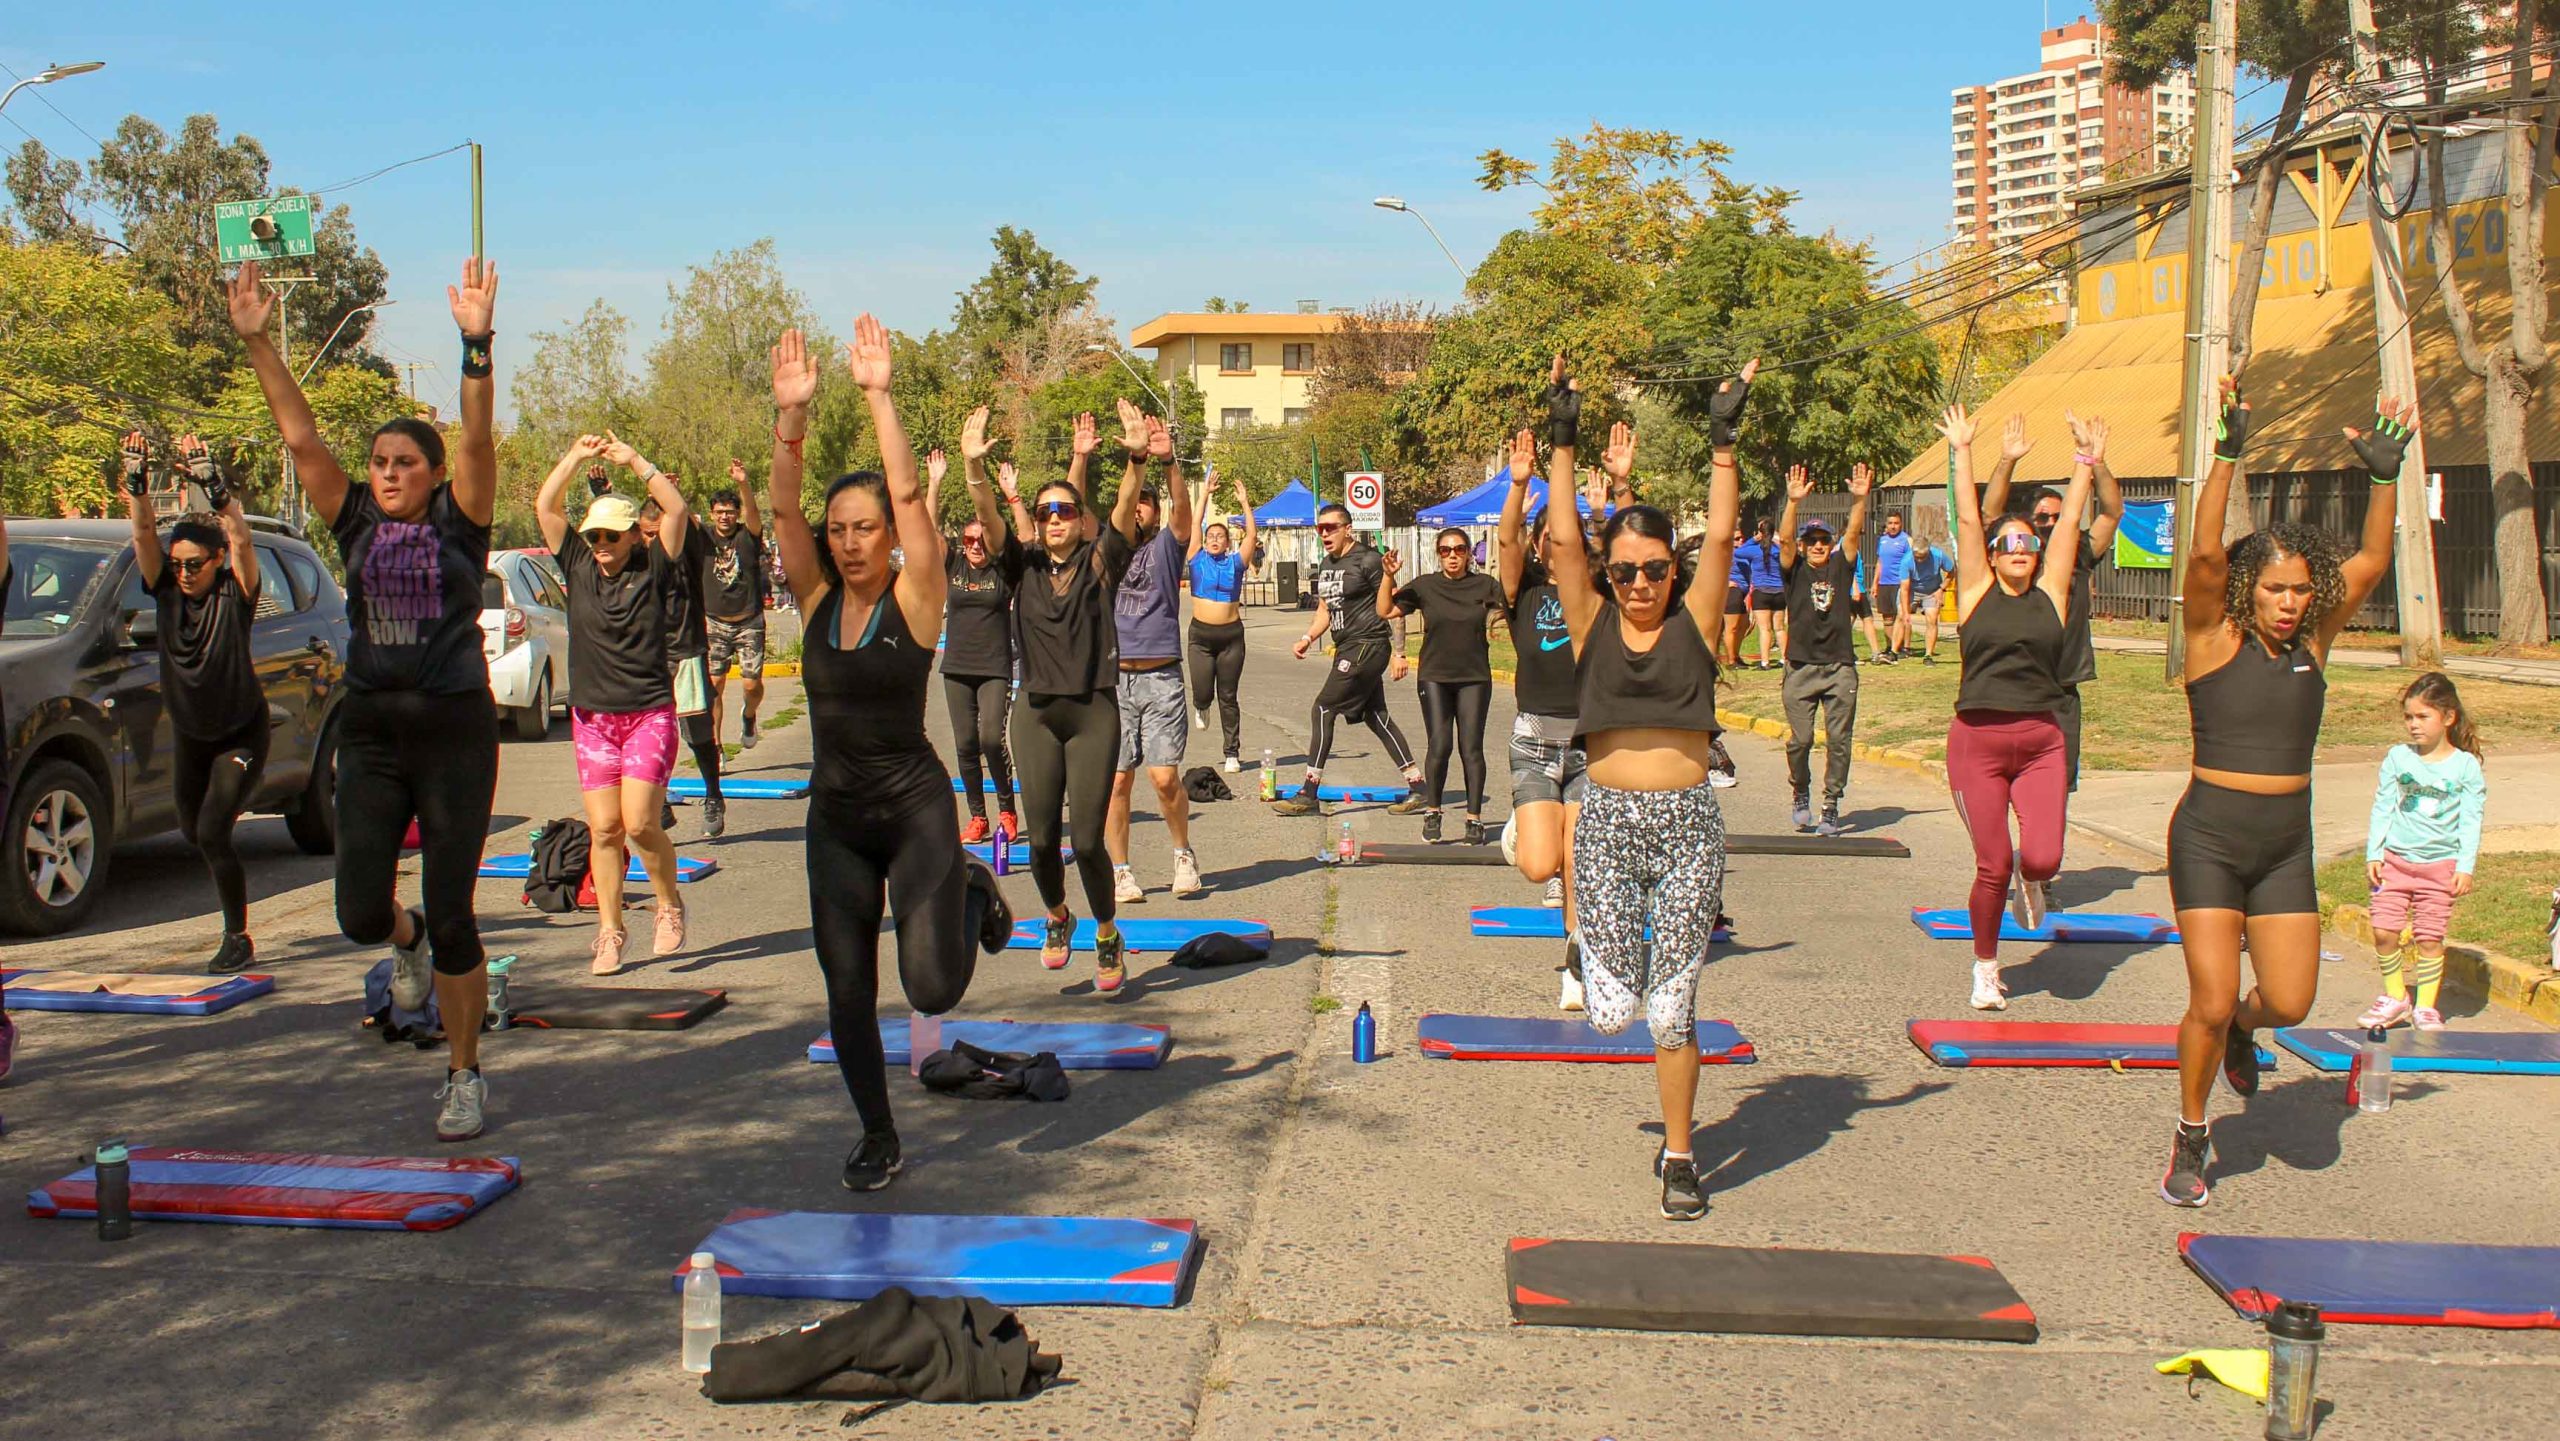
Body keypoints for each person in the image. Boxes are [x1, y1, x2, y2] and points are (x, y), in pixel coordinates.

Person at [230, 254, 502, 1142]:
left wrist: (475, 346)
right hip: (375, 733)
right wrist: (260, 343)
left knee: (457, 911)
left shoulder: (461, 520)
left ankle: (463, 1074)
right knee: (358, 914)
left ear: (431, 473)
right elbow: (301, 436)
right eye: (379, 460)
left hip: (454, 733)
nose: (387, 473)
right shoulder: (351, 519)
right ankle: (404, 939)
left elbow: (477, 440)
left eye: (403, 462)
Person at [2160, 378, 2411, 1208]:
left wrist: (2385, 479)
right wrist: (2225, 455)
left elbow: (2371, 562)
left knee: (2291, 1001)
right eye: (2276, 589)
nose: (2291, 602)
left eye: (2302, 589)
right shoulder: (2212, 634)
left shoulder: (2315, 640)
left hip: (2282, 847)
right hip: (2209, 838)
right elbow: (2203, 554)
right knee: (2207, 995)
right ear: (2248, 588)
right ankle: (2192, 1132)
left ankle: (2244, 1027)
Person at [768, 322, 1007, 1191]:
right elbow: (782, 510)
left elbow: (908, 492)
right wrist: (792, 419)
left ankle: (970, 886)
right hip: (837, 817)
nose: (849, 541)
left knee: (932, 990)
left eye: (865, 528)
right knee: (845, 989)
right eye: (839, 529)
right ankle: (878, 1132)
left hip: (913, 812)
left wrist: (879, 396)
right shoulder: (814, 597)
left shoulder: (919, 593)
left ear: (889, 536)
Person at [1544, 357, 1756, 1222]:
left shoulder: (1693, 621)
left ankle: (1679, 1155)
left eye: (1655, 569)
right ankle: (1587, 951)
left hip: (1687, 826)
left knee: (1672, 1011)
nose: (1640, 583)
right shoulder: (1591, 619)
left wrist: (1723, 439)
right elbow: (1565, 542)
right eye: (1626, 570)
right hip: (1605, 825)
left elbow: (1724, 534)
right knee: (1608, 1014)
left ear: (1675, 570)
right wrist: (1562, 435)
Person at [1937, 404, 2097, 1013]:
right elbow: (1969, 521)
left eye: (2029, 542)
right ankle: (1986, 967)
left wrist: (2086, 460)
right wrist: (1963, 450)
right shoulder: (1976, 589)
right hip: (1976, 743)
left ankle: (2034, 881)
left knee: (2043, 857)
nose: (2020, 549)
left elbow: (2072, 521)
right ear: (1994, 554)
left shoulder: (2052, 593)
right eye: (2009, 544)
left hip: (2040, 742)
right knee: (1994, 863)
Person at [999, 406, 1148, 989]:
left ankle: (1107, 932)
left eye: (1065, 511)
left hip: (1093, 711)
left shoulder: (1101, 561)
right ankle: (1058, 916)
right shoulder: (1024, 566)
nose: (1056, 518)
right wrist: (973, 471)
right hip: (1035, 713)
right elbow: (989, 517)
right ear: (1036, 523)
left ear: (1081, 520)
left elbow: (1122, 510)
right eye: (1046, 513)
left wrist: (1135, 457)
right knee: (1039, 841)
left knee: (1086, 840)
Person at [536, 433, 694, 976]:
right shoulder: (579, 566)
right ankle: (610, 930)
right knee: (604, 829)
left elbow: (676, 510)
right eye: (594, 535)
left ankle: (668, 905)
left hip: (647, 713)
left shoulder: (654, 566)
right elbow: (546, 506)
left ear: (631, 536)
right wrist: (574, 457)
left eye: (610, 534)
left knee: (640, 823)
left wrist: (635, 461)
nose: (600, 543)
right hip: (593, 720)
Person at [120, 432, 266, 974]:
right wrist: (136, 487)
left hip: (240, 735)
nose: (183, 573)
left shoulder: (235, 592)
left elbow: (242, 539)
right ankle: (227, 876)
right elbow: (142, 533)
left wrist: (216, 490)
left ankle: (237, 937)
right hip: (191, 737)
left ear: (217, 560)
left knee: (211, 830)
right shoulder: (164, 590)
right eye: (177, 564)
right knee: (193, 830)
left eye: (194, 564)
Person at [1983, 412, 2125, 792]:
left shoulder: (2079, 551)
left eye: (2058, 517)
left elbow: (2112, 512)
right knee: (2006, 790)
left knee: (2055, 793)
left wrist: (2097, 460)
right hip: (2013, 686)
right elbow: (1989, 514)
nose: (2050, 523)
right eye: (2042, 517)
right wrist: (2007, 460)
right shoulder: (2014, 558)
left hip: (2061, 688)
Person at [1497, 432, 1589, 1006]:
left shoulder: (1597, 592)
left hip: (1588, 746)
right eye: (1550, 535)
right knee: (1539, 867)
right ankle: (1525, 830)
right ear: (1539, 544)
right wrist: (1518, 485)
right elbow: (1505, 540)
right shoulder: (1523, 592)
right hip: (1533, 743)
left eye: (1568, 534)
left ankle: (1576, 964)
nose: (1559, 542)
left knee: (1578, 861)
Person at [1102, 402, 1201, 903]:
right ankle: (1121, 870)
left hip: (1161, 677)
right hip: (1114, 680)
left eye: (1147, 503)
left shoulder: (1166, 545)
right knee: (1118, 781)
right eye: (1133, 503)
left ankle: (1183, 853)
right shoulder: (1105, 551)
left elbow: (1183, 514)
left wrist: (1167, 461)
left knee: (1164, 779)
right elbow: (1112, 507)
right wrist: (1132, 464)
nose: (1138, 508)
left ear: (1156, 513)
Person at [1272, 504, 1422, 814]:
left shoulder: (1369, 560)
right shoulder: (1327, 564)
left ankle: (1309, 792)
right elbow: (1325, 609)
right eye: (1320, 529)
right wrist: (1307, 638)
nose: (1325, 533)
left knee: (1323, 708)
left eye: (1331, 527)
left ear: (1348, 529)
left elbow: (1394, 606)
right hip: (1346, 647)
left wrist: (1400, 653)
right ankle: (1419, 786)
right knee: (1376, 716)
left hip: (1368, 644)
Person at [2359, 672, 2486, 1032]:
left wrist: (2465, 866)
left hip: (2440, 867)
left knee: (2429, 938)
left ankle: (2426, 1007)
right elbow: (2383, 806)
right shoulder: (2398, 758)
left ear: (2448, 718)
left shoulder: (2465, 766)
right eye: (2408, 717)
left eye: (2422, 716)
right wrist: (2374, 853)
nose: (2413, 725)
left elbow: (2471, 820)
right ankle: (2396, 998)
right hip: (2395, 863)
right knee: (2384, 931)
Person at [1379, 525, 1504, 845]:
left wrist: (1499, 621)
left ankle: (1473, 819)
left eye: (1459, 549)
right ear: (1438, 554)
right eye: (1446, 550)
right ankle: (1433, 812)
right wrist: (1388, 576)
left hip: (1474, 677)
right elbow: (1386, 610)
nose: (1452, 556)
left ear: (1469, 553)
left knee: (1471, 748)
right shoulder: (1426, 585)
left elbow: (1509, 609)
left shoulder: (1485, 585)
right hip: (1435, 676)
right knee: (1440, 745)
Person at [932, 420, 1020, 845]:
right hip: (957, 667)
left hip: (995, 666)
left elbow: (1016, 536)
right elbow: (925, 531)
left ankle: (1006, 809)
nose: (974, 545)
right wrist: (934, 484)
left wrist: (1008, 497)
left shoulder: (1002, 571)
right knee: (965, 744)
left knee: (989, 739)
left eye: (980, 539)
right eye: (968, 539)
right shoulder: (953, 564)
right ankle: (978, 816)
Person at [1775, 462, 1872, 837]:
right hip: (1801, 668)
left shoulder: (1840, 567)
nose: (1818, 545)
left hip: (1839, 668)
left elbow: (1854, 533)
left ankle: (1831, 805)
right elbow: (1785, 541)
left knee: (1839, 741)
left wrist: (1860, 499)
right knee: (1800, 740)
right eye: (1812, 541)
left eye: (1824, 540)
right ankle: (1800, 791)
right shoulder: (1795, 569)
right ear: (1803, 546)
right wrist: (1793, 502)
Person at [637, 482, 725, 839]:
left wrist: (669, 496)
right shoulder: (637, 559)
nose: (652, 541)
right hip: (649, 655)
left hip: (686, 650)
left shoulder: (684, 553)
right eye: (646, 534)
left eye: (657, 533)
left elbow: (681, 517)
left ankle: (714, 795)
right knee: (649, 733)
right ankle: (659, 803)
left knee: (696, 732)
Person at [1186, 470, 1257, 774]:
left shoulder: (1236, 563)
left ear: (1228, 543)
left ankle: (1232, 753)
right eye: (1210, 536)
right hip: (1201, 636)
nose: (1215, 539)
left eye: (1220, 536)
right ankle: (1201, 705)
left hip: (1231, 636)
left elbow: (1251, 537)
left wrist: (1245, 503)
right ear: (1204, 542)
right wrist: (1204, 494)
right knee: (1203, 691)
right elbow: (1194, 525)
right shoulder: (1196, 558)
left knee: (1228, 696)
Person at [703, 460, 771, 753]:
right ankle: (716, 746)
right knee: (714, 684)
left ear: (737, 514)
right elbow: (678, 517)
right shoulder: (704, 537)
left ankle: (749, 715)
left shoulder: (747, 535)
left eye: (730, 512)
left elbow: (754, 515)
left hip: (748, 622)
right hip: (714, 622)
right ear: (712, 514)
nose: (725, 517)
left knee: (751, 685)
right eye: (719, 512)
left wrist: (744, 483)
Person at [1737, 518, 1786, 668]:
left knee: (1765, 629)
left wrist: (1753, 540)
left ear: (1760, 532)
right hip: (1779, 592)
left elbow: (1738, 552)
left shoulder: (1754, 550)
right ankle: (1785, 659)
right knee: (1779, 628)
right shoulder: (1778, 550)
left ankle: (1765, 662)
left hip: (1761, 592)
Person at [1874, 510, 1915, 661]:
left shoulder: (1906, 540)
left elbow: (1912, 562)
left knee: (1902, 615)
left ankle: (1905, 647)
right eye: (1890, 523)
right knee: (1887, 617)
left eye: (1896, 523)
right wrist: (1875, 583)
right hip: (1884, 583)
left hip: (1900, 583)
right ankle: (1890, 646)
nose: (1893, 526)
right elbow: (1879, 562)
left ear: (1901, 524)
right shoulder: (1883, 540)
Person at [1908, 530, 1953, 664]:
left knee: (1932, 619)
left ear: (1929, 552)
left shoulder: (1938, 555)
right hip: (1912, 589)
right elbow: (1903, 585)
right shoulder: (1907, 559)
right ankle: (1896, 650)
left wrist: (1941, 588)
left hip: (1932, 590)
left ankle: (1928, 655)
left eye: (1923, 557)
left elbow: (1952, 571)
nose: (1920, 560)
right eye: (1917, 557)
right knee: (1900, 615)